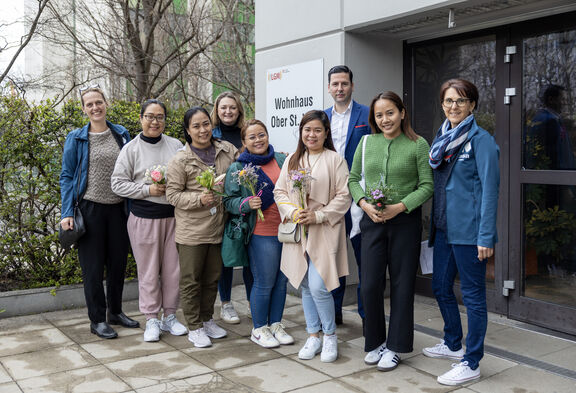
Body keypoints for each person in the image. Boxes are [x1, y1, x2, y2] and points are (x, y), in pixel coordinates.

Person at [348, 91, 433, 372]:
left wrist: (400, 206)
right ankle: (374, 342)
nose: (385, 119)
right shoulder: (366, 142)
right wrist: (363, 203)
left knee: (401, 285)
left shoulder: (418, 144)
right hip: (372, 222)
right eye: (379, 115)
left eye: (390, 113)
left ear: (402, 113)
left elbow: (427, 186)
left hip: (404, 224)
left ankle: (396, 347)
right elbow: (353, 179)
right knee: (370, 285)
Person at [423, 79, 500, 386]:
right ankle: (453, 342)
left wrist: (485, 237)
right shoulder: (441, 138)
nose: (453, 106)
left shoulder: (482, 141)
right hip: (443, 228)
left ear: (472, 105)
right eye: (448, 101)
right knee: (441, 287)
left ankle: (472, 360)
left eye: (460, 101)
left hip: (469, 233)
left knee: (473, 298)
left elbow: (490, 192)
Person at [60, 86, 139, 339]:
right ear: (84, 109)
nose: (95, 107)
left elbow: (131, 168)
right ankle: (97, 319)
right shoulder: (76, 138)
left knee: (118, 265)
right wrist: (66, 212)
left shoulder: (121, 134)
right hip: (89, 209)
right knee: (93, 269)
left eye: (99, 102)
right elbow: (67, 176)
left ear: (106, 103)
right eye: (89, 104)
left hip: (119, 209)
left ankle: (114, 312)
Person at [274, 110, 351, 363]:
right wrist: (293, 212)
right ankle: (313, 335)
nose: (312, 134)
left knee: (320, 285)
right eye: (307, 130)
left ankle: (330, 335)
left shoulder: (335, 159)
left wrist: (318, 216)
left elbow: (344, 196)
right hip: (299, 230)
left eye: (318, 130)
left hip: (324, 229)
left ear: (326, 133)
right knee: (305, 284)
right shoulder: (293, 160)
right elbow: (280, 192)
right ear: (301, 132)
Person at [111, 99, 187, 342]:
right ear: (141, 118)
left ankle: (170, 316)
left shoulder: (176, 145)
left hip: (174, 217)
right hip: (144, 218)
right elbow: (117, 183)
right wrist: (146, 190)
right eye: (150, 116)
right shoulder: (131, 149)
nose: (155, 121)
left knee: (173, 271)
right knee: (149, 271)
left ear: (165, 120)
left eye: (160, 117)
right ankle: (152, 318)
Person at [166, 106, 237, 348]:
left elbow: (242, 167)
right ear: (187, 130)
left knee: (212, 278)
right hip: (192, 231)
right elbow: (172, 195)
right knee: (191, 280)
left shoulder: (226, 150)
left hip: (219, 226)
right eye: (196, 126)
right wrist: (198, 199)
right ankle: (194, 327)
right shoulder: (180, 159)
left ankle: (207, 320)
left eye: (206, 124)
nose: (202, 129)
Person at [223, 119, 293, 348]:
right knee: (264, 281)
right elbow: (228, 201)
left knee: (282, 282)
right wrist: (245, 203)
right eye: (252, 137)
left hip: (285, 230)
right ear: (244, 142)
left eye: (261, 135)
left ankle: (276, 324)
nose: (258, 140)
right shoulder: (237, 168)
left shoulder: (281, 160)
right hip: (260, 232)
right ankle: (259, 328)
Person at [324, 65, 371, 326]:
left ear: (352, 86)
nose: (340, 88)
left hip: (359, 196)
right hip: (331, 198)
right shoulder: (321, 117)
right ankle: (334, 313)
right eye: (335, 84)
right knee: (333, 258)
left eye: (344, 83)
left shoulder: (366, 114)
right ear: (329, 88)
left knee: (365, 260)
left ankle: (367, 317)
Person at [211, 91, 253, 324]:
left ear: (239, 110)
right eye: (223, 108)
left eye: (232, 108)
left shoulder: (247, 133)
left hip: (248, 201)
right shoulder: (211, 134)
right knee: (225, 256)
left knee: (248, 254)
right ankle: (226, 303)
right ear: (217, 110)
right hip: (222, 203)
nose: (228, 112)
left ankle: (251, 301)